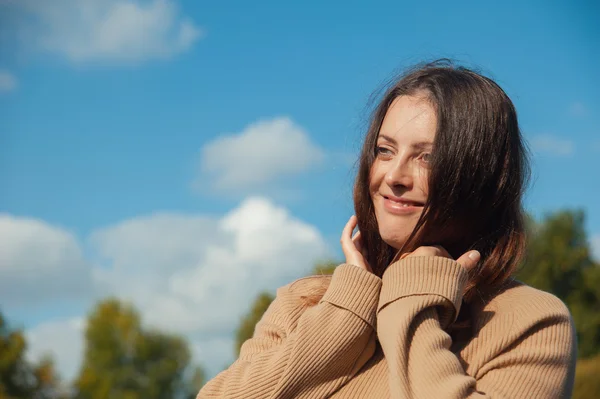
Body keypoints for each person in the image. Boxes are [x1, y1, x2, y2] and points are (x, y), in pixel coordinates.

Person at [197, 60, 577, 398]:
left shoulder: (530, 321)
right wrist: (349, 310)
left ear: (481, 177)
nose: (394, 176)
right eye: (385, 150)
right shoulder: (305, 303)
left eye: (427, 157)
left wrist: (415, 298)